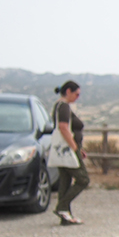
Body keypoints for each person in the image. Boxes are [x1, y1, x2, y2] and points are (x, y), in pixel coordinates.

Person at [51, 80, 89, 225]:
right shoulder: (64, 106)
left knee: (65, 181)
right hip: (68, 149)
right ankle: (61, 207)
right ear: (68, 91)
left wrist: (79, 148)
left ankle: (65, 216)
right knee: (83, 179)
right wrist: (75, 148)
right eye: (76, 94)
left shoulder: (59, 106)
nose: (77, 97)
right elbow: (63, 127)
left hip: (64, 150)